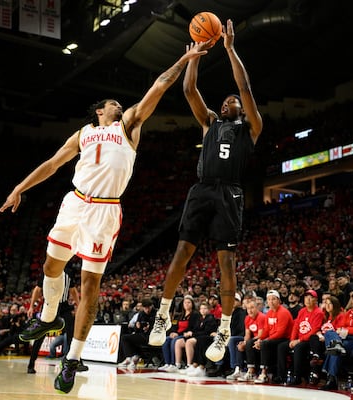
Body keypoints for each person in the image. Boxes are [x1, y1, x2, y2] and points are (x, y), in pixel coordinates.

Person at [0, 43, 208, 394]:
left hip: (105, 210)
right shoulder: (82, 134)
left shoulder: (128, 126)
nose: (119, 106)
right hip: (74, 203)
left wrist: (184, 59)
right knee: (51, 267)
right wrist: (20, 187)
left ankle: (71, 360)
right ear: (98, 110)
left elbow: (158, 85)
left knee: (89, 285)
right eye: (113, 103)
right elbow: (52, 164)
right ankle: (49, 317)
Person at [148, 17, 263, 367]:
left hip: (230, 194)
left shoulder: (251, 127)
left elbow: (244, 87)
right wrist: (195, 56)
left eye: (234, 101)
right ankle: (163, 313)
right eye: (225, 100)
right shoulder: (211, 123)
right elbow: (188, 91)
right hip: (202, 190)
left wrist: (229, 49)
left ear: (242, 109)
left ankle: (226, 327)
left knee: (225, 261)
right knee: (182, 251)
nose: (229, 101)